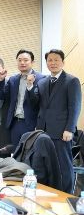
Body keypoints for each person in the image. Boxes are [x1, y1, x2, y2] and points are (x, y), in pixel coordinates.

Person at [34, 49, 81, 193]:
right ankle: (50, 192)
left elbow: (75, 107)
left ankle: (66, 195)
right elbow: (38, 105)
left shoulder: (71, 81)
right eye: (50, 60)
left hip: (62, 131)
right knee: (46, 165)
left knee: (63, 166)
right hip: (43, 131)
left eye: (56, 60)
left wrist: (69, 129)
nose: (53, 63)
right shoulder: (42, 82)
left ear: (63, 62)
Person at [0, 49, 45, 145]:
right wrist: (1, 80)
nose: (22, 63)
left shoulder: (41, 79)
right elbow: (2, 96)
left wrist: (30, 86)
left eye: (25, 60)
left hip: (31, 124)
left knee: (29, 152)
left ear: (32, 62)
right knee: (15, 151)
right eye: (19, 60)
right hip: (14, 123)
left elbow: (39, 102)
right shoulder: (13, 79)